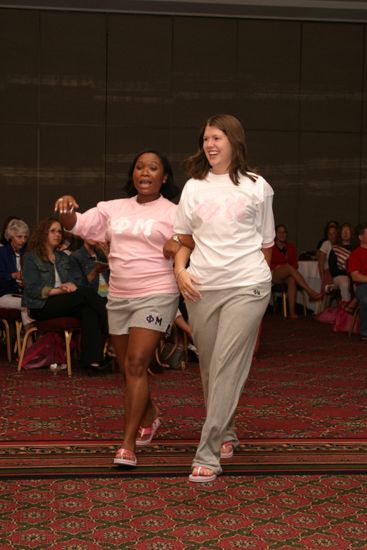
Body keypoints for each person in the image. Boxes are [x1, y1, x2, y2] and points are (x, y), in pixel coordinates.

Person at [165, 113, 275, 483]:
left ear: (234, 142)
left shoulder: (258, 186)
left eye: (217, 138)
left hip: (247, 285)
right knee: (211, 368)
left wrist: (260, 283)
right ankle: (227, 430)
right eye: (206, 139)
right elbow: (182, 238)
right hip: (201, 287)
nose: (210, 145)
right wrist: (181, 272)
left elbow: (267, 246)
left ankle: (208, 453)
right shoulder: (194, 188)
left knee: (228, 365)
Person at [54, 150, 180, 467]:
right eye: (139, 167)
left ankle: (127, 444)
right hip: (120, 295)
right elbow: (76, 224)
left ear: (164, 177)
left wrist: (180, 243)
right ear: (132, 174)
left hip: (157, 292)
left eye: (153, 168)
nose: (145, 172)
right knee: (126, 368)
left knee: (137, 363)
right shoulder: (112, 208)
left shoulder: (174, 211)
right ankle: (150, 414)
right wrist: (66, 208)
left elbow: (191, 241)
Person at [21, 217, 109, 371]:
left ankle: (91, 362)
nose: (58, 235)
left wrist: (72, 285)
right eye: (53, 231)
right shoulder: (31, 257)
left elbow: (79, 283)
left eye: (60, 232)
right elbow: (32, 290)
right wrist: (59, 289)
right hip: (41, 305)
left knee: (88, 310)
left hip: (64, 301)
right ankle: (113, 329)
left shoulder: (63, 258)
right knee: (86, 295)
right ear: (43, 234)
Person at [270, 224, 322, 318]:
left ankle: (292, 311)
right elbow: (267, 262)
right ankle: (309, 291)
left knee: (292, 279)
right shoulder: (271, 247)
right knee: (289, 268)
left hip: (287, 274)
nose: (282, 234)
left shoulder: (291, 247)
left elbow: (295, 264)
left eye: (284, 232)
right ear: (275, 234)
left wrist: (287, 267)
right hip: (274, 273)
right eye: (279, 232)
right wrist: (280, 266)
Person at [0, 218, 33, 326]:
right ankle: (30, 340)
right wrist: (14, 275)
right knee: (26, 303)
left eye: (25, 237)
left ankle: (38, 337)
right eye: (19, 237)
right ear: (10, 237)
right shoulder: (2, 253)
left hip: (19, 294)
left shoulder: (27, 253)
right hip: (3, 295)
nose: (23, 240)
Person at [348, 223, 367, 341]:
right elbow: (355, 276)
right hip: (362, 286)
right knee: (366, 299)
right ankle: (365, 331)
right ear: (360, 237)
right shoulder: (355, 254)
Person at [328, 222, 354, 303]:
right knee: (345, 283)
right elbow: (333, 270)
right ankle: (345, 310)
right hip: (339, 276)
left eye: (347, 231)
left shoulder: (356, 249)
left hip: (354, 275)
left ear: (351, 233)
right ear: (340, 234)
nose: (345, 233)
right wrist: (348, 273)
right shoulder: (334, 249)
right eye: (343, 231)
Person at [317, 223, 338, 292]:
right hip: (328, 271)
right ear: (327, 236)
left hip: (339, 272)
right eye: (330, 234)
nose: (332, 236)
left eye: (334, 233)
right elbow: (320, 264)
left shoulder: (341, 244)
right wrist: (323, 279)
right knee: (327, 289)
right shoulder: (326, 244)